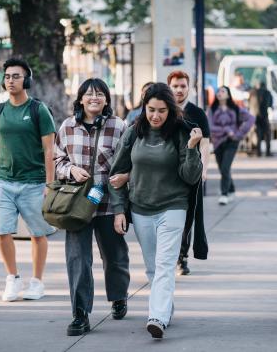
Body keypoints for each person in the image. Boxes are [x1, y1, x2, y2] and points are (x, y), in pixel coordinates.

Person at [109, 83, 203, 339]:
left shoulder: (180, 133)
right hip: (141, 209)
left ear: (170, 110)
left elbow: (191, 176)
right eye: (151, 110)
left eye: (162, 110)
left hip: (173, 206)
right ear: (144, 108)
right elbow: (116, 174)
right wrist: (119, 209)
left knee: (164, 265)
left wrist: (193, 147)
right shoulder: (132, 133)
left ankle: (157, 318)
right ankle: (165, 307)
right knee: (153, 267)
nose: (156, 116)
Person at [54, 78, 130, 337]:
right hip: (77, 206)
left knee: (115, 256)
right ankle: (80, 313)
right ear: (80, 99)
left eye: (99, 94)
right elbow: (57, 159)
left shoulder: (119, 126)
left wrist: (122, 208)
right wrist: (70, 169)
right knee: (78, 260)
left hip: (109, 203)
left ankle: (119, 296)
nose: (93, 98)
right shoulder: (67, 127)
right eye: (88, 94)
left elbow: (127, 165)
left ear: (107, 99)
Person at [0, 57, 56, 302]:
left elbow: (50, 150)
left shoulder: (38, 110)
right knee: (1, 231)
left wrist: (50, 183)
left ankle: (37, 282)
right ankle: (13, 278)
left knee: (38, 233)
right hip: (4, 181)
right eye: (7, 76)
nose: (11, 80)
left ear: (27, 80)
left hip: (35, 182)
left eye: (16, 76)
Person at [167, 70, 210, 276]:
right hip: (167, 175)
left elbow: (205, 143)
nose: (179, 90)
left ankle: (181, 257)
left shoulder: (198, 113)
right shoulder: (163, 111)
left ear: (189, 88)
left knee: (188, 217)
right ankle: (168, 254)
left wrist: (204, 169)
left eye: (183, 86)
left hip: (191, 172)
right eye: (175, 86)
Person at [209, 86, 255, 205]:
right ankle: (232, 190)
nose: (219, 93)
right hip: (217, 142)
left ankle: (224, 194)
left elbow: (251, 118)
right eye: (218, 91)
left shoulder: (235, 109)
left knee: (225, 167)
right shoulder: (212, 109)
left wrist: (238, 134)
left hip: (232, 142)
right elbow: (210, 127)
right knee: (223, 168)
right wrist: (226, 129)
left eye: (223, 91)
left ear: (228, 95)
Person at [254, 82, 273, 157]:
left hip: (256, 116)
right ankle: (268, 152)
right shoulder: (267, 93)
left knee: (258, 134)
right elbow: (270, 104)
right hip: (264, 116)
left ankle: (258, 152)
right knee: (267, 134)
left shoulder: (254, 92)